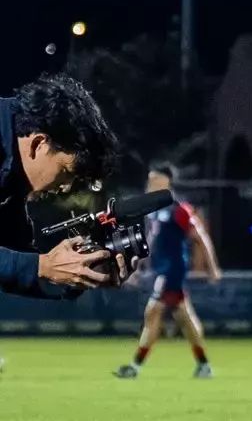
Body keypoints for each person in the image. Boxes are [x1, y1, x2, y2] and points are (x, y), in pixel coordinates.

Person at [0, 74, 122, 300]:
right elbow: (29, 266)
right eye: (66, 172)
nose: (66, 188)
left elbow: (15, 263)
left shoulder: (14, 177)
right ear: (38, 144)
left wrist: (83, 268)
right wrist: (42, 266)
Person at [115, 163, 221, 379]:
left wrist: (212, 267)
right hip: (160, 269)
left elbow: (200, 237)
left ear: (165, 182)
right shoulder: (155, 210)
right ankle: (204, 365)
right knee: (184, 316)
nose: (149, 183)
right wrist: (139, 266)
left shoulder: (179, 209)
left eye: (154, 179)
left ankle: (135, 367)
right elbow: (153, 241)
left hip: (172, 270)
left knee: (153, 313)